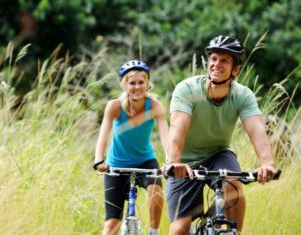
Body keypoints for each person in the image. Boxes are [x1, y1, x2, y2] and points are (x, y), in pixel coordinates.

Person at [165, 35, 277, 234]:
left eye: (224, 60)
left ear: (235, 70)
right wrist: (174, 161)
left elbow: (256, 130)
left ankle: (233, 232)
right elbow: (177, 127)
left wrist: (267, 164)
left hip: (218, 155)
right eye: (214, 59)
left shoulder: (243, 95)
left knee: (233, 185)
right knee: (179, 229)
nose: (217, 64)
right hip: (183, 162)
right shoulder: (188, 89)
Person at [94, 60, 169, 235]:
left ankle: (154, 231)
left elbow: (167, 137)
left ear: (147, 83)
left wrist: (169, 161)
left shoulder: (156, 106)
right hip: (116, 164)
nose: (137, 87)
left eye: (141, 82)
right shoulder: (114, 106)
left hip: (145, 161)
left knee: (156, 191)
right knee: (111, 224)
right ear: (125, 85)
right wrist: (99, 160)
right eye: (132, 83)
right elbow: (103, 136)